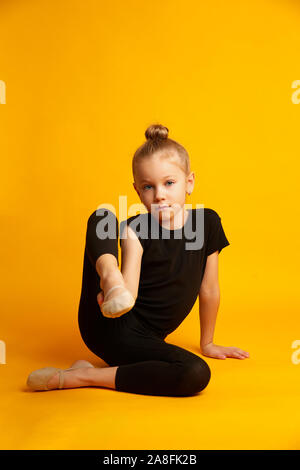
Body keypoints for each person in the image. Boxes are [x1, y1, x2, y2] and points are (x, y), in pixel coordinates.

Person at [26, 123, 249, 396]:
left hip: (143, 341)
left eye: (169, 183)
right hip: (111, 324)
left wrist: (208, 343)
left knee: (195, 372)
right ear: (137, 191)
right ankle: (109, 278)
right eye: (148, 187)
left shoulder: (208, 223)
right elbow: (128, 295)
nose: (159, 195)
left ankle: (86, 373)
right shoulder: (135, 229)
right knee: (104, 218)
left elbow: (209, 288)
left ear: (189, 182)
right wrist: (116, 292)